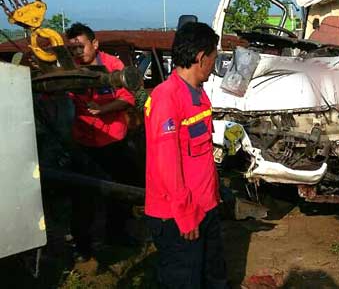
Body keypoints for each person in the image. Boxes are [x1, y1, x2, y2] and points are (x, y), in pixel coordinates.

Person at [143, 22, 227, 288]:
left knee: (214, 276)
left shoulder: (198, 96)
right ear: (201, 58)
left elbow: (200, 156)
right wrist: (185, 214)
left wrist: (214, 196)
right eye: (214, 58)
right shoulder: (166, 98)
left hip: (206, 208)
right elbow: (167, 164)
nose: (215, 65)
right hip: (179, 216)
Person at [66, 22, 137, 261]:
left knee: (119, 193)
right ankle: (82, 245)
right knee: (81, 197)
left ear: (95, 44)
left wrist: (104, 109)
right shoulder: (69, 70)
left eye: (81, 47)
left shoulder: (113, 66)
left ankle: (116, 234)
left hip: (113, 141)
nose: (78, 53)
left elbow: (128, 99)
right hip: (84, 143)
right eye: (73, 48)